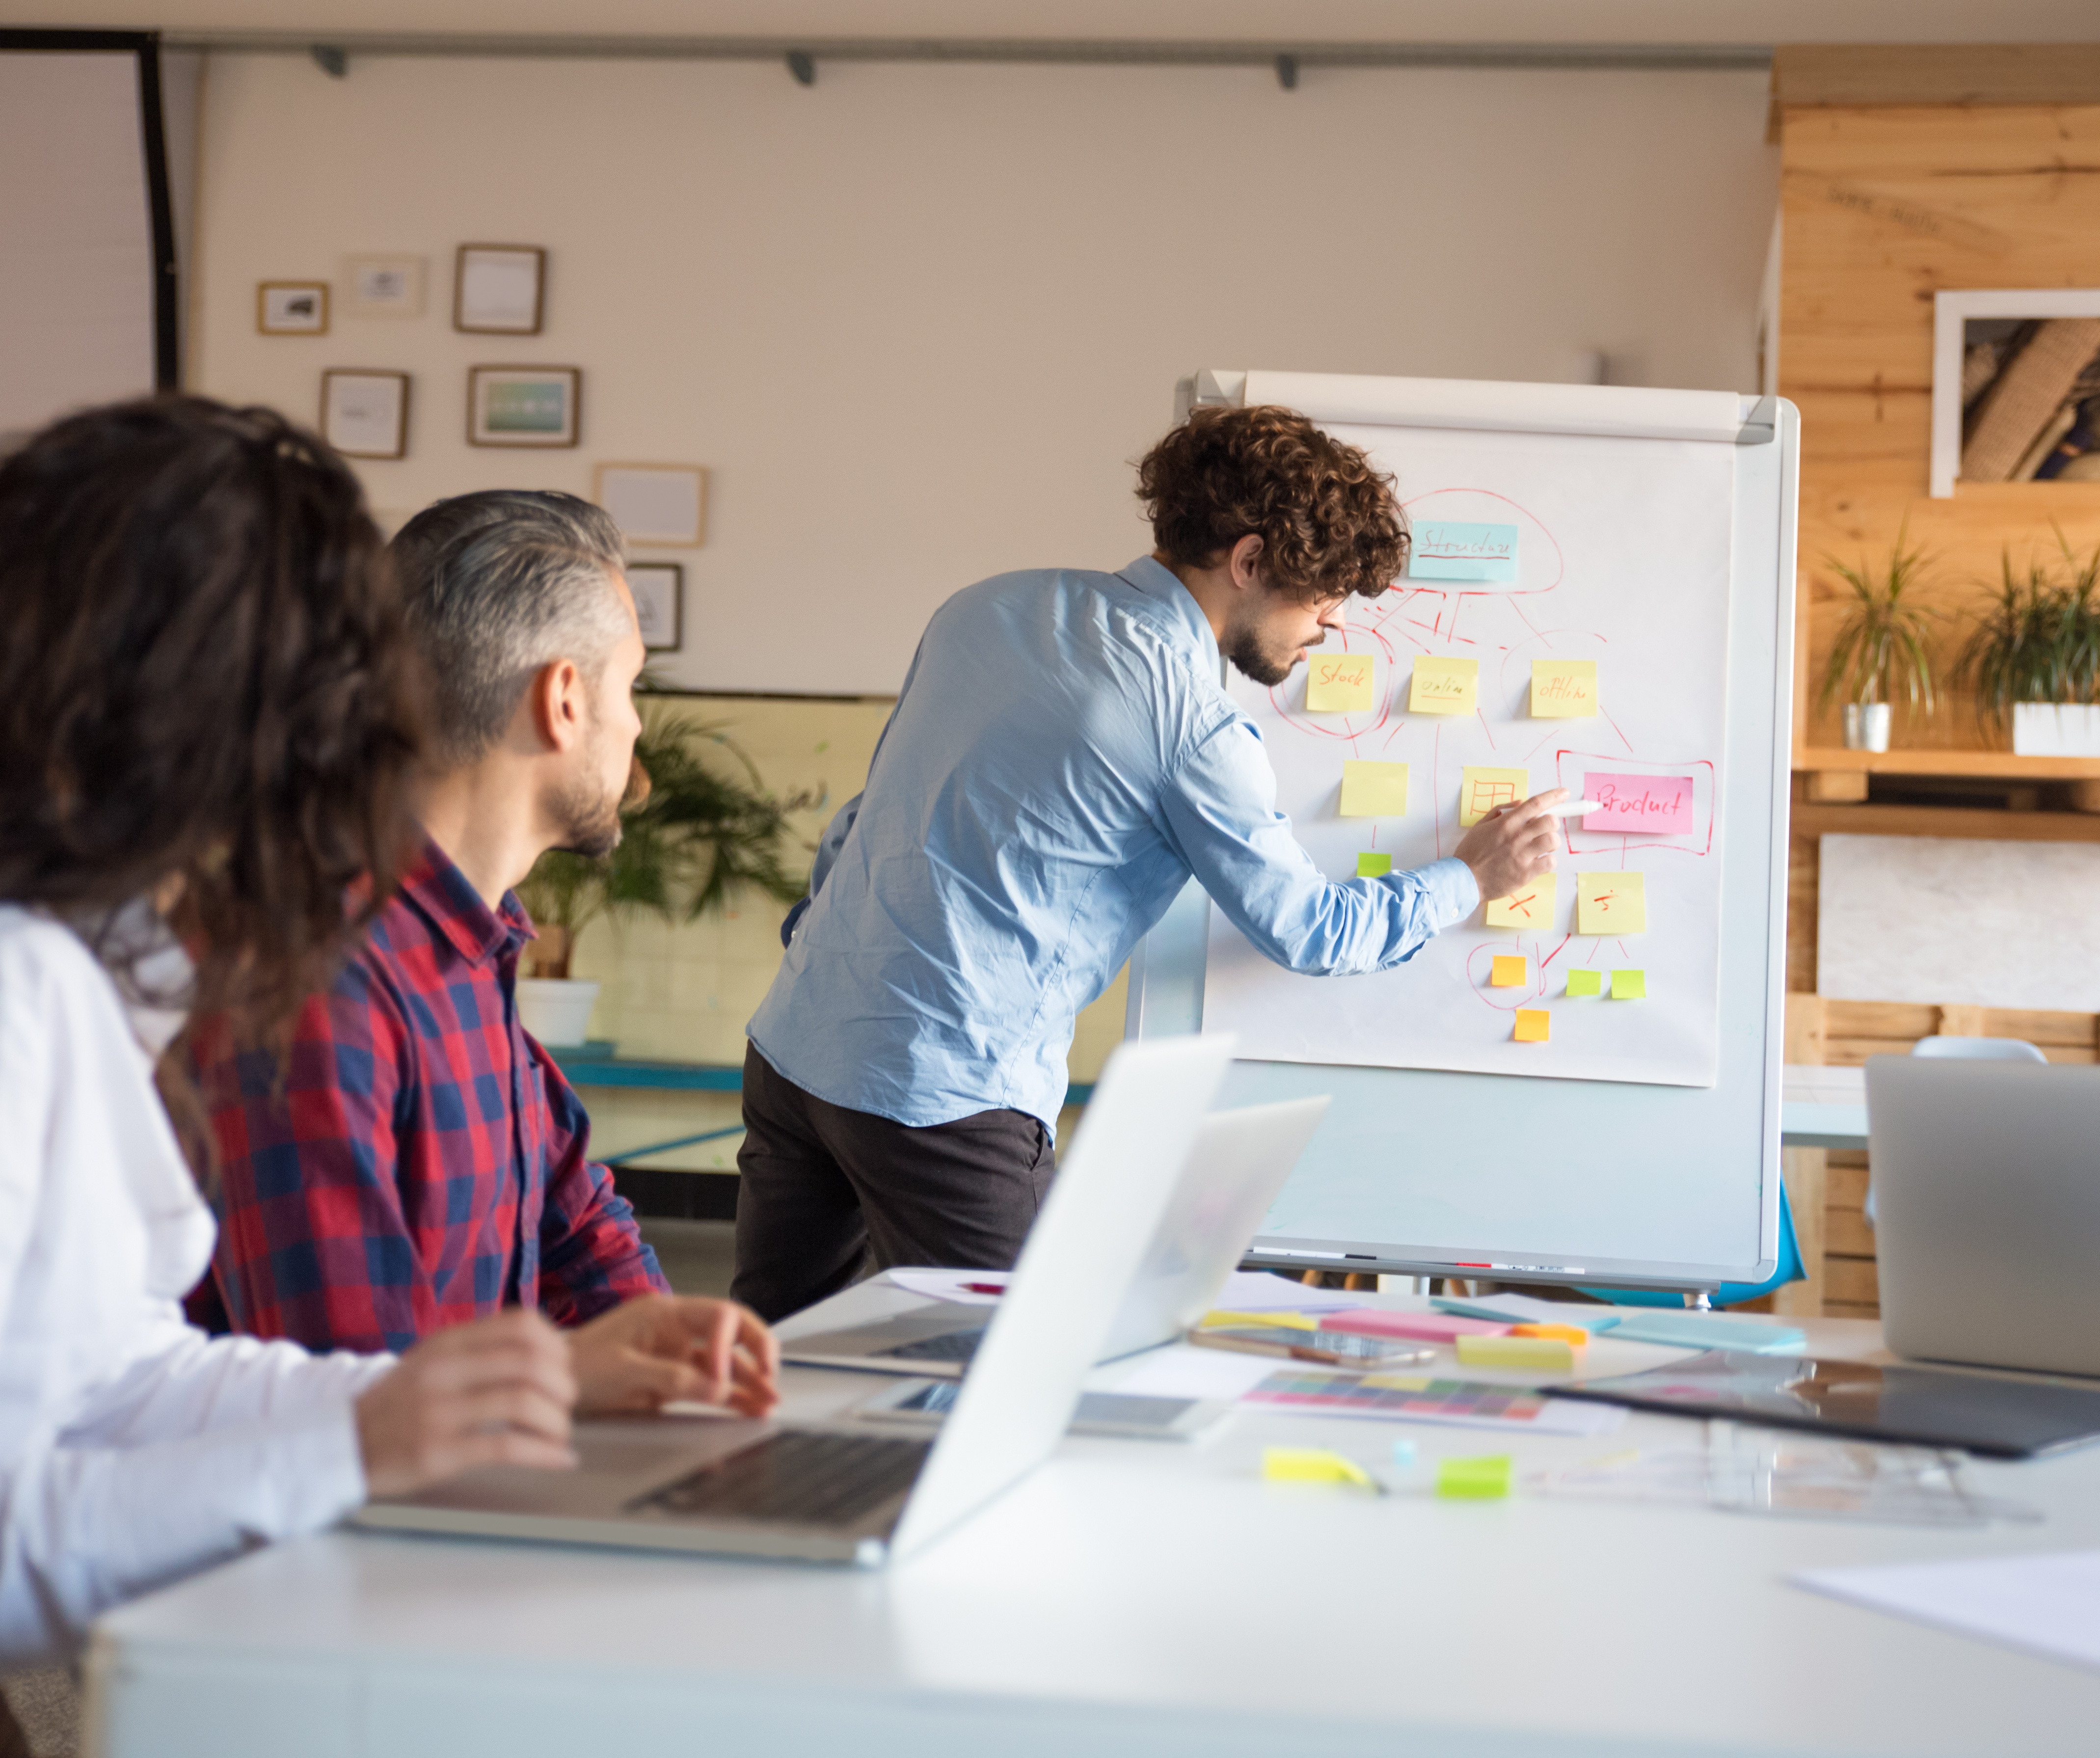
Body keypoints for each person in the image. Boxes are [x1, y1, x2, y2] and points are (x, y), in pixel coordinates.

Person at [0, 399, 772, 1669]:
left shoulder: (87, 965)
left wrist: (507, 1389)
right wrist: (363, 1436)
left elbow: (121, 1371)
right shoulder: (51, 978)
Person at [734, 405, 1565, 1320]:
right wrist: (1473, 877)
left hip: (796, 1040)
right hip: (942, 1091)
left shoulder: (988, 603)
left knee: (753, 1353)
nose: (1331, 623)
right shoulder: (1190, 718)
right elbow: (1309, 929)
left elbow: (864, 817)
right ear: (1248, 562)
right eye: (1320, 594)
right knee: (1013, 1375)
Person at [186, 490, 775, 1381]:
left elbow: (574, 1224)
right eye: (633, 683)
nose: (639, 723)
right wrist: (574, 1379)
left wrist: (682, 1357)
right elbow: (349, 1394)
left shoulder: (470, 943)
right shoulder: (317, 983)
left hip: (472, 1470)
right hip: (376, 1502)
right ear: (565, 701)